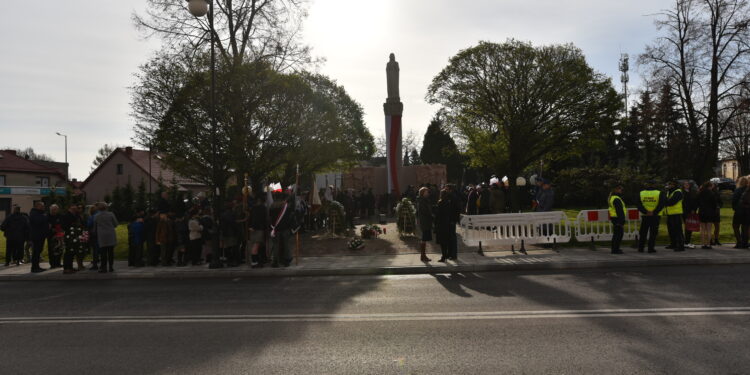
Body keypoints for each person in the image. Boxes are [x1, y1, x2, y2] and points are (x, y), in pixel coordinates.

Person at [637, 180, 666, 253]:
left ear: (647, 185)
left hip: (645, 215)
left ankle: (641, 248)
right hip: (655, 216)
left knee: (643, 232)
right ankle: (650, 248)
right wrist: (654, 212)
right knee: (653, 233)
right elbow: (661, 204)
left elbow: (638, 204)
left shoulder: (641, 193)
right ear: (654, 185)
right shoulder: (659, 193)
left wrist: (645, 211)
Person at [269, 192, 294, 268]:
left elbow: (270, 217)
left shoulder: (272, 206)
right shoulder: (286, 206)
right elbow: (290, 217)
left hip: (275, 228)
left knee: (275, 245)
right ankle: (286, 261)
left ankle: (275, 261)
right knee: (286, 244)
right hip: (285, 228)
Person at [435, 189, 460, 262]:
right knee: (448, 241)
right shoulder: (449, 203)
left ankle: (443, 256)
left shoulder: (440, 202)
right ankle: (448, 255)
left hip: (441, 224)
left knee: (443, 242)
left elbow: (438, 215)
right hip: (448, 224)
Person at [93, 202, 118, 273]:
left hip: (101, 235)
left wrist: (95, 232)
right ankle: (111, 267)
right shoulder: (111, 214)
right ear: (106, 207)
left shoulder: (96, 216)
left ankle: (103, 267)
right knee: (111, 252)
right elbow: (116, 224)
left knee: (103, 252)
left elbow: (94, 227)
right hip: (110, 234)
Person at [60, 205, 85, 274]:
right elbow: (64, 225)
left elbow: (81, 223)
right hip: (69, 236)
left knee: (72, 252)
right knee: (68, 252)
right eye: (73, 208)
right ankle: (66, 268)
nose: (75, 209)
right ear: (69, 208)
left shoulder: (77, 215)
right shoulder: (65, 215)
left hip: (76, 236)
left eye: (75, 208)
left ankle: (70, 267)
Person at [664, 179, 685, 252]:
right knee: (671, 230)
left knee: (678, 230)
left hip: (676, 214)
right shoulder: (669, 192)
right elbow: (667, 201)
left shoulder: (678, 192)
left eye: (670, 184)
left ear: (674, 185)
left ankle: (680, 245)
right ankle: (673, 244)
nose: (669, 185)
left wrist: (665, 201)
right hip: (670, 214)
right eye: (669, 184)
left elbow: (671, 202)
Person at [247, 196, 268, 268]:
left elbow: (250, 218)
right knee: (256, 245)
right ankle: (254, 262)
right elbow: (263, 219)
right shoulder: (262, 208)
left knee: (255, 245)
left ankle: (255, 261)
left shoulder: (253, 208)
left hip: (253, 228)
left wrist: (250, 226)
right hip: (258, 229)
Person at [28, 201, 49, 272]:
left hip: (41, 235)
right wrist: (44, 216)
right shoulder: (34, 213)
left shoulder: (40, 213)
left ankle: (37, 266)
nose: (43, 207)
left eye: (43, 206)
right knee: (36, 252)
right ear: (37, 206)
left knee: (38, 251)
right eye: (42, 206)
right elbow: (38, 221)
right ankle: (34, 268)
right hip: (36, 236)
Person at [697, 181, 718, 249]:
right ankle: (708, 244)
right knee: (709, 229)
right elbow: (714, 204)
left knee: (702, 229)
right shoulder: (712, 193)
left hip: (702, 212)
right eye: (712, 185)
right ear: (710, 186)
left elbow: (697, 202)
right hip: (710, 212)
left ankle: (703, 244)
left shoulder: (701, 193)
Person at [416, 187, 433, 262]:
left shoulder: (424, 200)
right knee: (424, 239)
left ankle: (423, 255)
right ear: (422, 193)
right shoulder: (422, 201)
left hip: (426, 221)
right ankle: (423, 255)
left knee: (424, 239)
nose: (428, 193)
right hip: (424, 222)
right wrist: (432, 215)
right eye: (426, 192)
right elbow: (425, 211)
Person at [608, 184, 626, 254]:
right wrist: (622, 222)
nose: (621, 191)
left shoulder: (612, 198)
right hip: (618, 219)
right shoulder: (617, 199)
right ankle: (616, 249)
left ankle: (614, 249)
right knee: (619, 234)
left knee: (616, 234)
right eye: (620, 189)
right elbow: (620, 211)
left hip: (614, 218)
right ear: (616, 190)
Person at [731, 177, 748, 248]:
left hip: (739, 211)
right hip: (747, 211)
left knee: (735, 226)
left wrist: (735, 208)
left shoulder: (738, 190)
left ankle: (739, 242)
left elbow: (734, 201)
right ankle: (745, 242)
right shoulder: (748, 190)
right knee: (745, 227)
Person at [682, 181, 698, 249]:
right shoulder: (682, 192)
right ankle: (685, 241)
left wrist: (694, 209)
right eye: (685, 184)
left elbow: (695, 201)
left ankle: (687, 241)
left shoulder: (692, 192)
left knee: (690, 226)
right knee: (687, 226)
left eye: (688, 184)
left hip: (691, 212)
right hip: (684, 211)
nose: (687, 185)